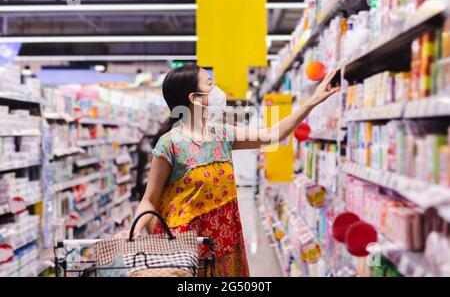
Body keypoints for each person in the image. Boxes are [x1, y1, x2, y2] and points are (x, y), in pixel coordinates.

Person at [131, 64, 339, 277]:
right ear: (194, 98)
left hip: (226, 244)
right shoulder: (170, 144)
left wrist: (313, 101)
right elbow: (150, 199)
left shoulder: (222, 134)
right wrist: (136, 231)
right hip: (185, 251)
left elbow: (273, 135)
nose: (217, 90)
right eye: (210, 84)